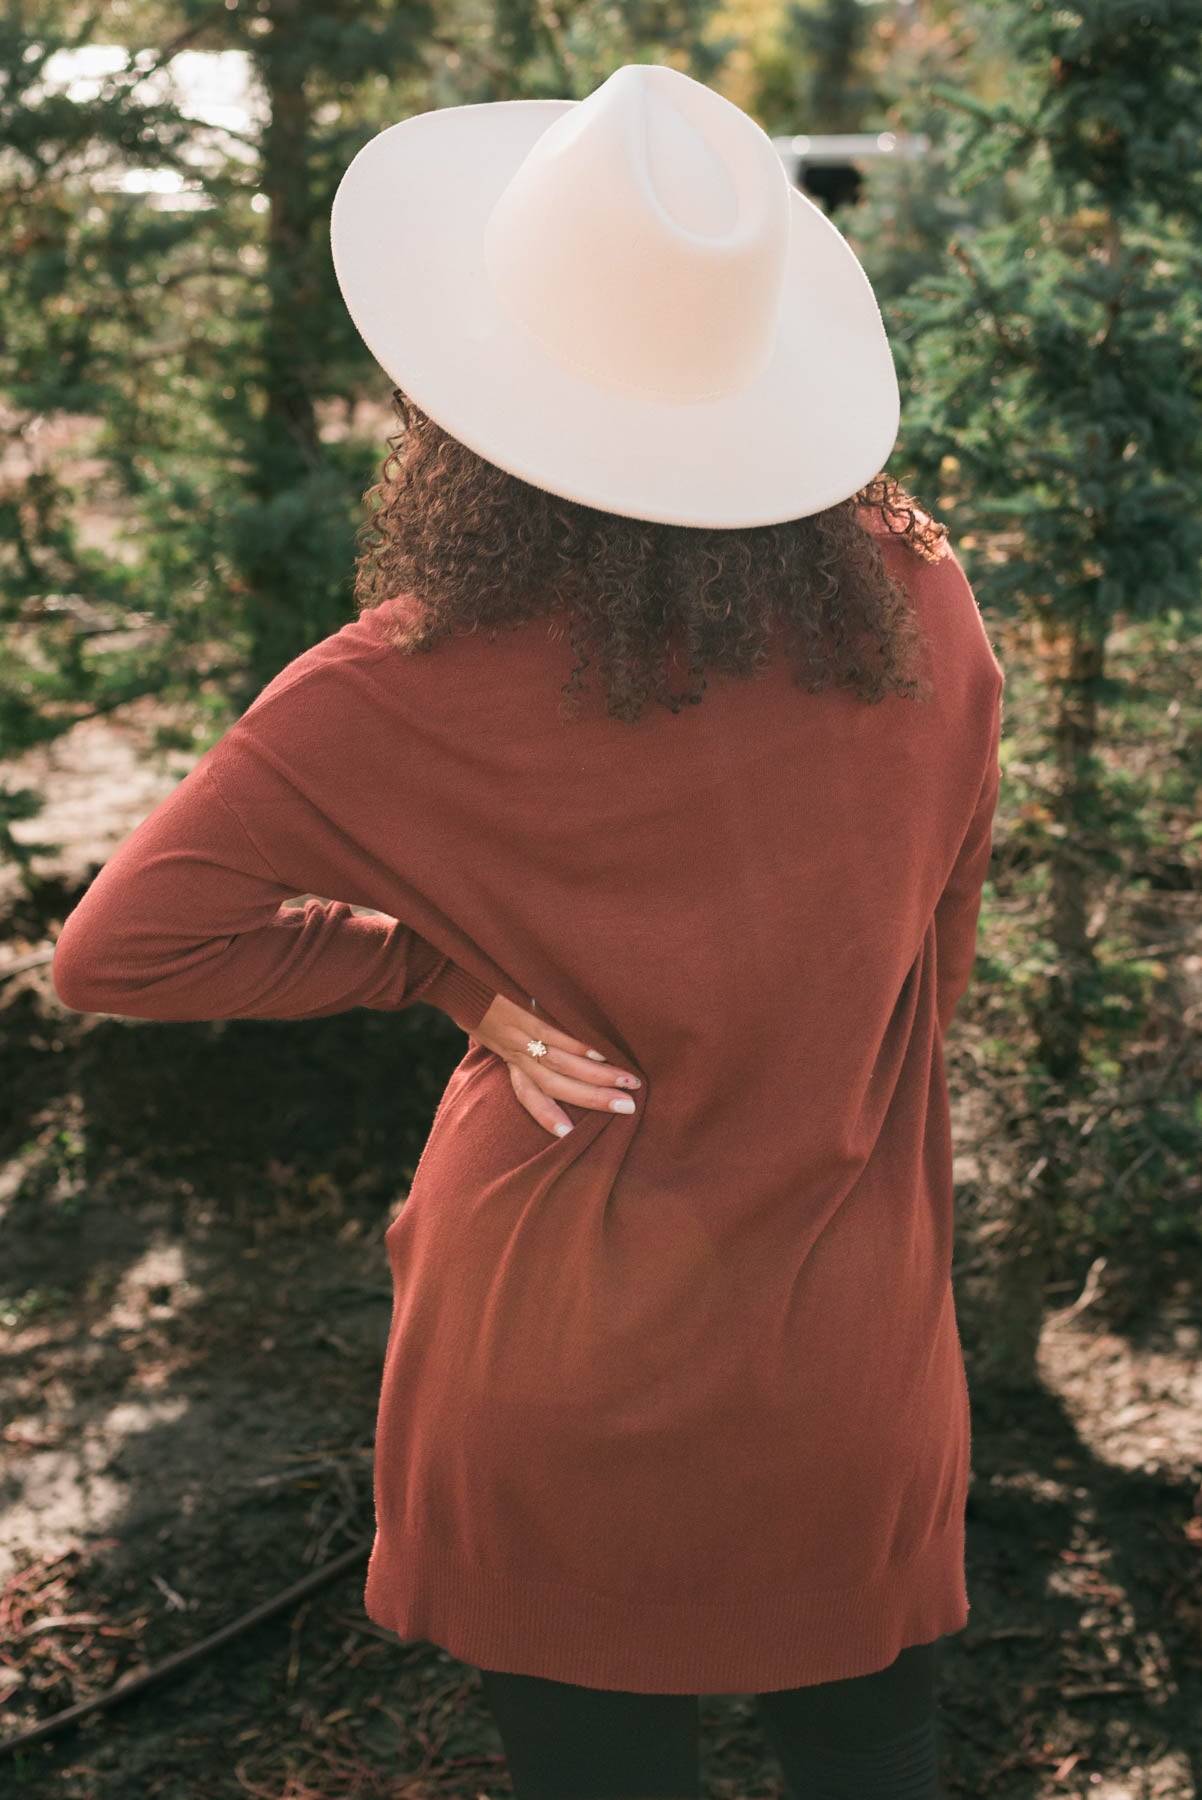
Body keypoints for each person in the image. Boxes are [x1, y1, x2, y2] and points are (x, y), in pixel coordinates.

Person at [52, 60, 1004, 1800]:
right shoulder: (923, 609)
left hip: (549, 1364)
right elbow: (929, 947)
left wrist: (436, 964)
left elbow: (112, 952)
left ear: (471, 391)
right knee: (875, 1756)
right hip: (845, 1357)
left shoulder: (394, 691)